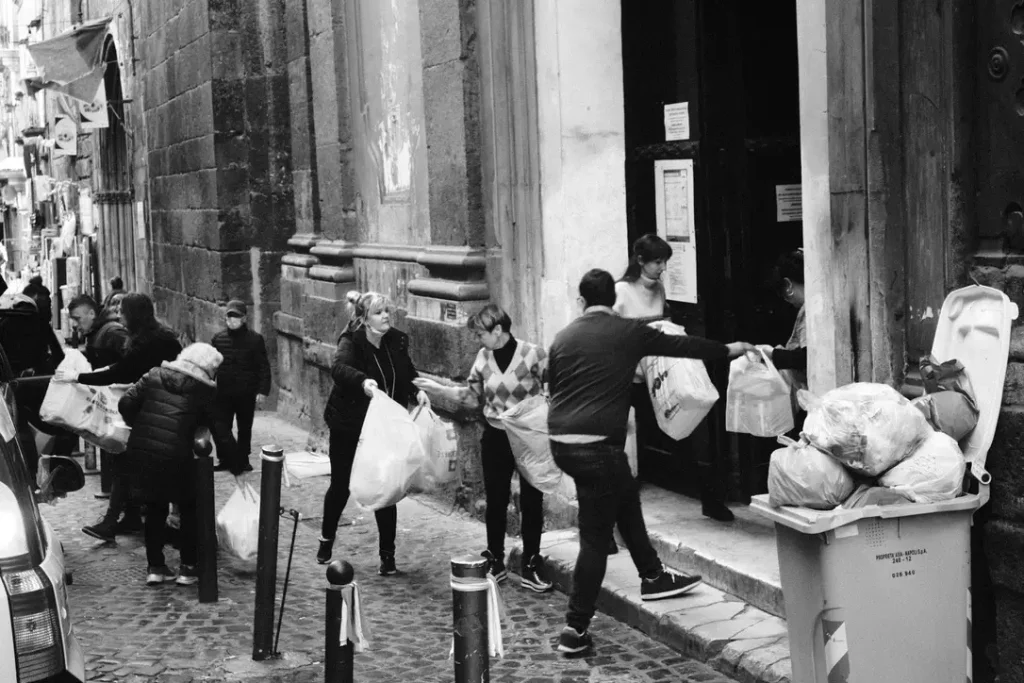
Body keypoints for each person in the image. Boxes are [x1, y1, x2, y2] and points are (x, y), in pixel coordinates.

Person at [547, 269, 753, 654]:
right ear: (614, 298)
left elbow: (553, 385)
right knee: (594, 539)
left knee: (626, 492)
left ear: (581, 301)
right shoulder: (629, 332)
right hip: (598, 448)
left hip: (562, 443)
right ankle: (574, 628)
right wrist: (730, 348)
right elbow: (685, 348)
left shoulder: (563, 337)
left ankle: (653, 576)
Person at [414, 304, 553, 592]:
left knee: (531, 500)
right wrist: (438, 389)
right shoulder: (483, 357)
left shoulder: (534, 354)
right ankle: (495, 559)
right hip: (496, 436)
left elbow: (553, 390)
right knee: (496, 499)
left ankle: (531, 563)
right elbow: (471, 397)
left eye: (481, 334)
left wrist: (544, 420)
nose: (478, 339)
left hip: (528, 438)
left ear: (498, 331)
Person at [615, 234, 734, 522]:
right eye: (658, 261)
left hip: (656, 377)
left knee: (681, 432)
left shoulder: (658, 289)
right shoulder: (619, 291)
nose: (663, 267)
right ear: (640, 260)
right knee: (613, 449)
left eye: (665, 261)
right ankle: (610, 522)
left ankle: (709, 500)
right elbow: (612, 334)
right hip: (623, 379)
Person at [55, 293, 183, 542]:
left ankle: (122, 524)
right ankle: (129, 520)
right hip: (160, 409)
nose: (120, 316)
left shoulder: (147, 342)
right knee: (131, 463)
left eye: (123, 312)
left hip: (155, 412)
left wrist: (79, 378)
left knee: (130, 464)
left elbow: (121, 371)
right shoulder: (160, 338)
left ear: (134, 315)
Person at [318, 290, 430, 575]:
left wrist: (417, 393)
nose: (385, 317)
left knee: (386, 486)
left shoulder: (396, 341)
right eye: (379, 313)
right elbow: (339, 368)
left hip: (383, 425)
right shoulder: (351, 341)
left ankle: (388, 556)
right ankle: (326, 538)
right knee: (341, 484)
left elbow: (406, 375)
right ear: (365, 320)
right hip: (349, 425)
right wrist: (363, 382)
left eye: (387, 312)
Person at [118, 343, 244, 586]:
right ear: (209, 369)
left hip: (144, 452)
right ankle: (188, 567)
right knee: (189, 509)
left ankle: (155, 567)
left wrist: (142, 425)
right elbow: (222, 432)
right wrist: (237, 467)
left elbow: (125, 403)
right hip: (179, 456)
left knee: (154, 509)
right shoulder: (204, 391)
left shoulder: (153, 375)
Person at [210, 300, 272, 473]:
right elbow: (212, 365)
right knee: (223, 427)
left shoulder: (255, 340)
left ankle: (243, 459)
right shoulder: (218, 339)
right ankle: (225, 458)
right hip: (223, 392)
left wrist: (262, 390)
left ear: (244, 318)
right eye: (229, 316)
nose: (231, 320)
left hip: (246, 392)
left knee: (245, 428)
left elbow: (263, 366)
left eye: (235, 316)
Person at [67, 294, 129, 370]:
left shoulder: (112, 332)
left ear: (92, 314)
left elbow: (135, 361)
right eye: (73, 320)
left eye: (77, 319)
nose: (74, 325)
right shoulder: (92, 333)